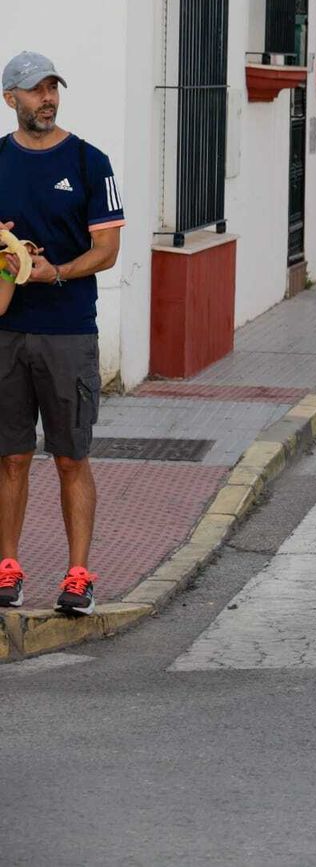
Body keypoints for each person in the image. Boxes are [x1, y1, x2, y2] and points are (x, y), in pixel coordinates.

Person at [0, 52, 125, 615]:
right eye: (34, 90)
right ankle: (8, 567)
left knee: (71, 458)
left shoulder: (90, 161)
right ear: (11, 100)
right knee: (11, 457)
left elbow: (107, 250)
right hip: (6, 332)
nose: (46, 98)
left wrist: (55, 272)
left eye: (52, 88)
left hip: (69, 333)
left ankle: (79, 575)